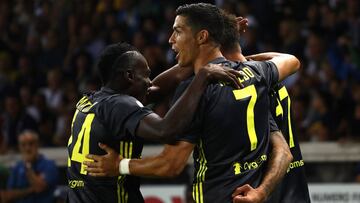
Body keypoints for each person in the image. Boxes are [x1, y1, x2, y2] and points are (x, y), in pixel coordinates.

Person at [84, 3, 299, 202]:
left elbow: (171, 164)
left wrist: (119, 165)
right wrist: (260, 193)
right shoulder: (257, 73)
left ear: (202, 37)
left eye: (178, 31)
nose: (171, 39)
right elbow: (291, 61)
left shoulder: (195, 89)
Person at [66, 42, 242, 202]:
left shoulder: (90, 100)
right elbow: (165, 130)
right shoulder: (120, 104)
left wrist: (218, 50)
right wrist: (203, 76)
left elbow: (171, 80)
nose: (150, 82)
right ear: (129, 76)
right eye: (146, 75)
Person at [220, 13, 311, 203]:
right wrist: (249, 60)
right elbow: (288, 59)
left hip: (266, 186)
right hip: (296, 185)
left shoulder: (240, 87)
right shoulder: (268, 73)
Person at [2, 130, 59, 203]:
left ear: (37, 144)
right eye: (23, 145)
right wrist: (31, 190)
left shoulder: (49, 165)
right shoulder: (16, 168)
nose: (27, 148)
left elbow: (38, 187)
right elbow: (7, 196)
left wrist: (28, 165)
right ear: (19, 147)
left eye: (31, 144)